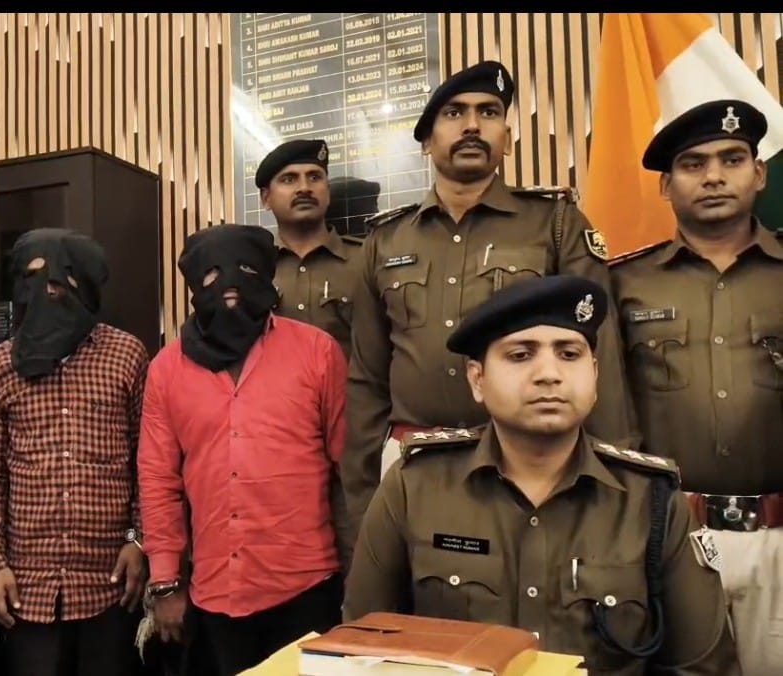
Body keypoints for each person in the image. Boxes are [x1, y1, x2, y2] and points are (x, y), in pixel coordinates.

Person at [343, 274, 740, 674]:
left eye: (569, 354)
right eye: (520, 355)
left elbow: (702, 669)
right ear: (477, 379)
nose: (549, 374)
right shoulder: (415, 486)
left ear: (595, 374)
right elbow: (359, 651)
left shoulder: (652, 502)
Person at [342, 60, 638, 550]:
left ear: (508, 138)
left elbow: (596, 358)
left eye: (489, 112)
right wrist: (360, 499)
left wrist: (611, 480)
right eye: (454, 113)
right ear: (427, 141)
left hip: (531, 464)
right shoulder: (385, 240)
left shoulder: (555, 223)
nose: (472, 125)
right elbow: (367, 379)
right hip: (414, 465)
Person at [611, 99, 782, 676]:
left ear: (759, 173)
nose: (713, 176)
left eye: (731, 159)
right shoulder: (623, 283)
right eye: (693, 164)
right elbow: (610, 412)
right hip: (669, 535)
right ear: (666, 186)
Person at [138, 224, 347, 675]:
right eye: (212, 274)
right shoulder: (166, 370)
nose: (229, 284)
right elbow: (158, 481)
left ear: (267, 277)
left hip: (308, 586)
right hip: (216, 595)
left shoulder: (318, 352)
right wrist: (165, 582)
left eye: (245, 269)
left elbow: (349, 469)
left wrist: (364, 577)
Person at [0, 227, 150, 676]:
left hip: (109, 581)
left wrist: (138, 539)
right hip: (27, 587)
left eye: (59, 279)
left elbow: (145, 459)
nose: (47, 291)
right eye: (33, 278)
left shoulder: (126, 355)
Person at [257, 139, 368, 360]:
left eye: (315, 177)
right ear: (266, 198)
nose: (304, 188)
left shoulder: (366, 260)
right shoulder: (255, 269)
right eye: (289, 179)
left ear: (328, 192)